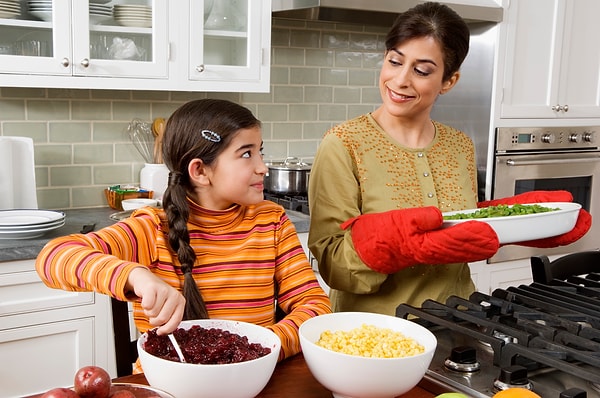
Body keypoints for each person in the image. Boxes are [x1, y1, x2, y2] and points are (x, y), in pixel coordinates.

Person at [307, 2, 591, 315]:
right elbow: (332, 264)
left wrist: (517, 223)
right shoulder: (343, 145)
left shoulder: (460, 146)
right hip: (376, 333)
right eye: (394, 61)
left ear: (448, 81)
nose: (400, 80)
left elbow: (459, 227)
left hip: (459, 320)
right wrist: (398, 245)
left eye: (421, 70)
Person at [36, 99, 332, 371]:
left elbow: (315, 306)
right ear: (200, 171)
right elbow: (53, 258)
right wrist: (135, 276)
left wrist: (264, 346)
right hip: (167, 383)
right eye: (246, 154)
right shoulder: (151, 228)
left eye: (260, 151)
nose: (262, 167)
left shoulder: (271, 221)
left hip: (253, 379)